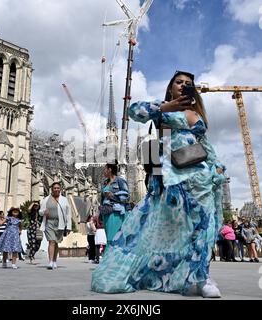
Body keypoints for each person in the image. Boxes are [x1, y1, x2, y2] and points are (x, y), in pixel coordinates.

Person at [91, 71, 226, 298]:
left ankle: (203, 277)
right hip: (174, 176)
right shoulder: (162, 110)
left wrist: (219, 166)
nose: (183, 85)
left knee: (205, 225)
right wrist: (166, 107)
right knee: (175, 227)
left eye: (188, 84)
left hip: (201, 174)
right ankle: (172, 273)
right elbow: (134, 111)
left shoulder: (196, 113)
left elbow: (205, 144)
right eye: (178, 82)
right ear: (171, 87)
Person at [39, 182, 72, 270]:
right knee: (51, 241)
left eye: (58, 188)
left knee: (56, 242)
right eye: (55, 188)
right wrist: (43, 212)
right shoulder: (46, 199)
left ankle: (54, 261)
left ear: (60, 189)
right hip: (49, 222)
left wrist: (68, 226)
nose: (56, 189)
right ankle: (50, 262)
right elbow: (40, 211)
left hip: (60, 223)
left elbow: (68, 214)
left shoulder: (64, 199)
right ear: (52, 189)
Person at [99, 162, 130, 249]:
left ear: (110, 170)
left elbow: (127, 198)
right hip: (106, 212)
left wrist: (112, 196)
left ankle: (112, 258)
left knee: (113, 238)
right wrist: (100, 215)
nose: (103, 172)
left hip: (116, 212)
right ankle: (110, 258)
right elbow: (102, 200)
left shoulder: (120, 181)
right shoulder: (105, 183)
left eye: (105, 169)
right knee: (109, 237)